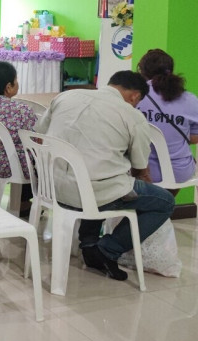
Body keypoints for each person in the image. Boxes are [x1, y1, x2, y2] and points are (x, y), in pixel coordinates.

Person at [37, 71, 175, 281]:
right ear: (135, 96)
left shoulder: (66, 96)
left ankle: (89, 244)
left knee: (100, 176)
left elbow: (38, 132)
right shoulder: (132, 116)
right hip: (92, 193)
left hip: (50, 187)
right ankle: (107, 249)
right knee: (164, 201)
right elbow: (139, 166)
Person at [137, 49, 198, 186]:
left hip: (143, 172)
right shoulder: (190, 99)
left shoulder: (135, 96)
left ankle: (156, 199)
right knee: (183, 168)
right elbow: (194, 138)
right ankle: (165, 198)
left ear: (142, 71)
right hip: (179, 171)